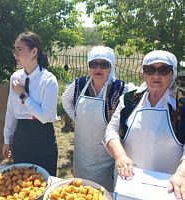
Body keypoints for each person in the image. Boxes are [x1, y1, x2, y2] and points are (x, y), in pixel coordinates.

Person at [105, 50, 185, 199]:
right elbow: (112, 130)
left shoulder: (181, 105)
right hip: (128, 183)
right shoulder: (129, 100)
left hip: (167, 187)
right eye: (150, 70)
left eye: (163, 70)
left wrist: (181, 173)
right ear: (143, 73)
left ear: (172, 73)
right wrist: (120, 155)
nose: (156, 76)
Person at [61, 46, 134, 191]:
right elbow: (65, 100)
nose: (98, 68)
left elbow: (130, 111)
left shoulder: (120, 89)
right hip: (82, 152)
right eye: (93, 64)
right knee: (80, 190)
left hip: (105, 155)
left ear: (111, 67)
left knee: (102, 191)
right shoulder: (79, 84)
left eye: (104, 64)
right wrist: (78, 118)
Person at [2, 31, 58, 176]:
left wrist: (23, 95)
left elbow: (45, 117)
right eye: (14, 50)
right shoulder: (15, 77)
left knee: (45, 181)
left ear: (34, 51)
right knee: (21, 182)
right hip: (21, 135)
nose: (15, 54)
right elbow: (11, 110)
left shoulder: (48, 80)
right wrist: (7, 139)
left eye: (19, 49)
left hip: (42, 136)